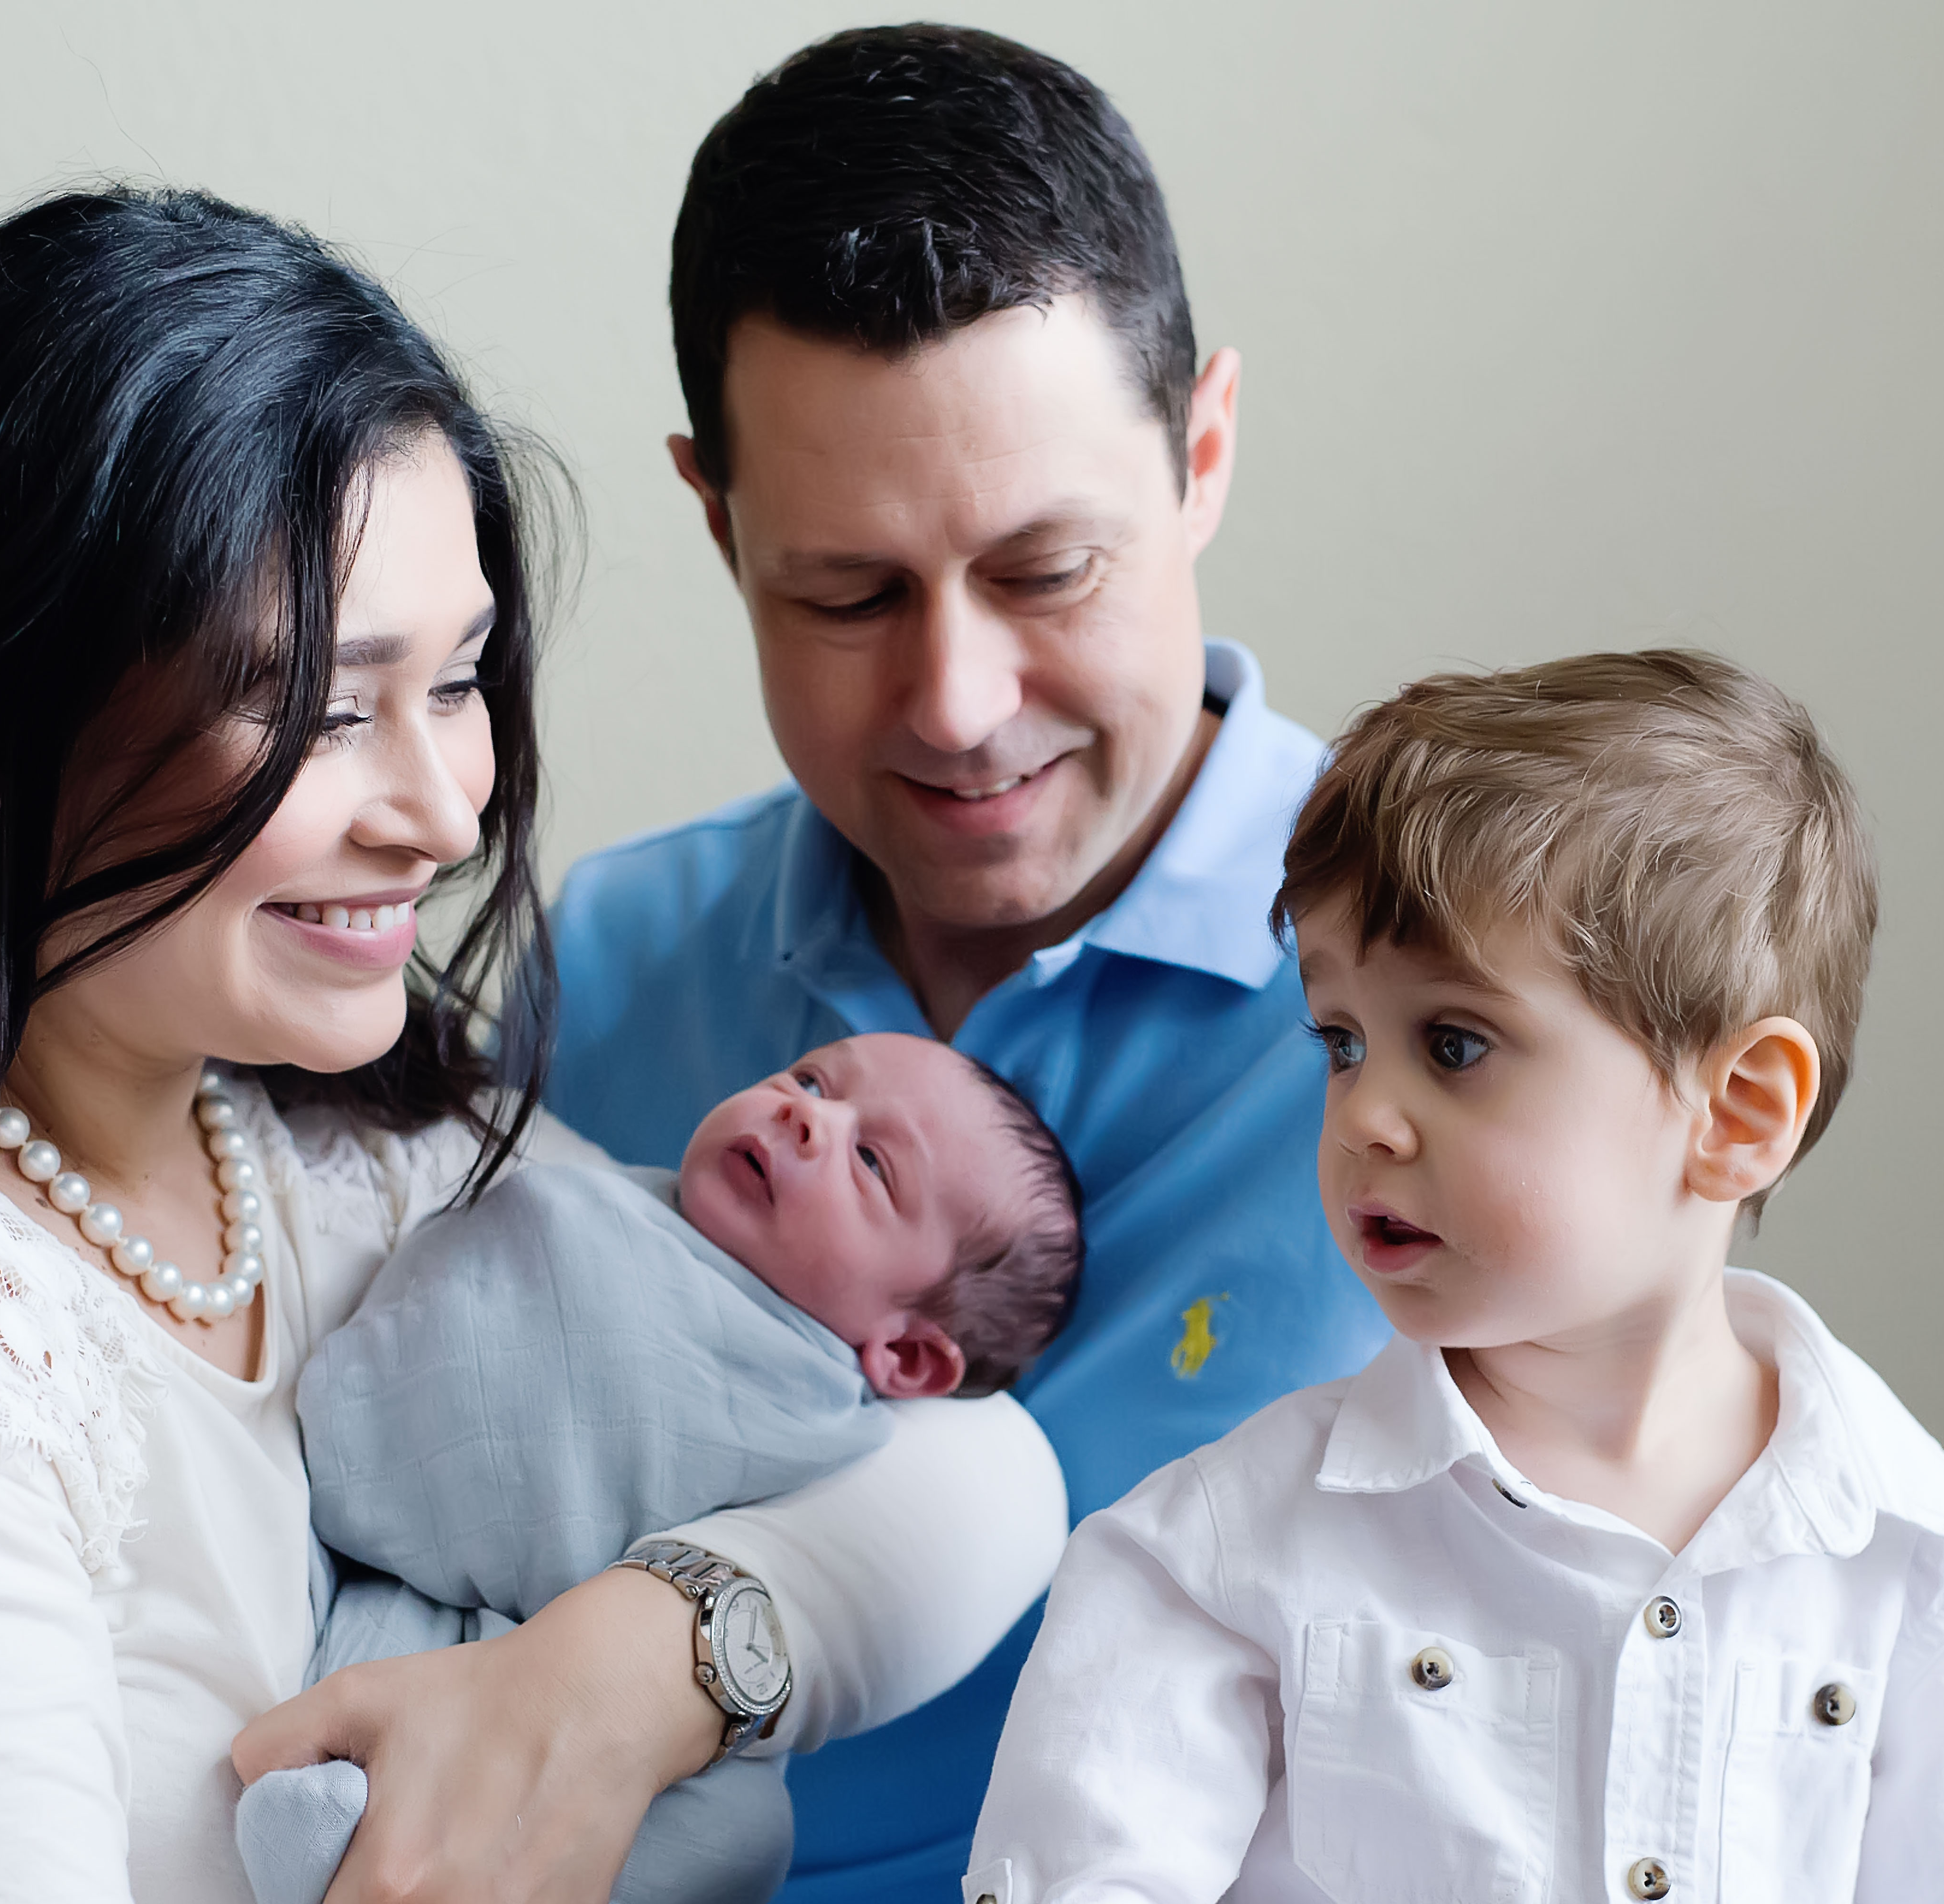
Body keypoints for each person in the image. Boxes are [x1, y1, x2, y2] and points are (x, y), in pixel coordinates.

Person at [0, 188, 1066, 1904]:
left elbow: (981, 1463)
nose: (443, 815)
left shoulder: (340, 1139)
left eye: (459, 682)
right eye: (324, 707)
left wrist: (635, 1675)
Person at [539, 26, 1391, 1896]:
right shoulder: (601, 971)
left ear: (1203, 456)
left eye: (1044, 571)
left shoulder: (1464, 1001)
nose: (955, 702)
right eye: (845, 594)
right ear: (717, 525)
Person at [967, 652, 1944, 1903]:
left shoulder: (1903, 1544)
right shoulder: (1215, 1555)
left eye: (1454, 1044)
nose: (1363, 1116)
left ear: (1738, 1113)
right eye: (1341, 1042)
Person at [239, 1033, 1083, 1904]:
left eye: (872, 1161)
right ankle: (343, 1821)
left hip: (654, 1721)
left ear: (907, 1358)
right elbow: (463, 1410)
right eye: (809, 1078)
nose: (806, 1115)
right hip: (457, 1618)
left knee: (736, 1831)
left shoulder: (827, 1418)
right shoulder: (594, 1210)